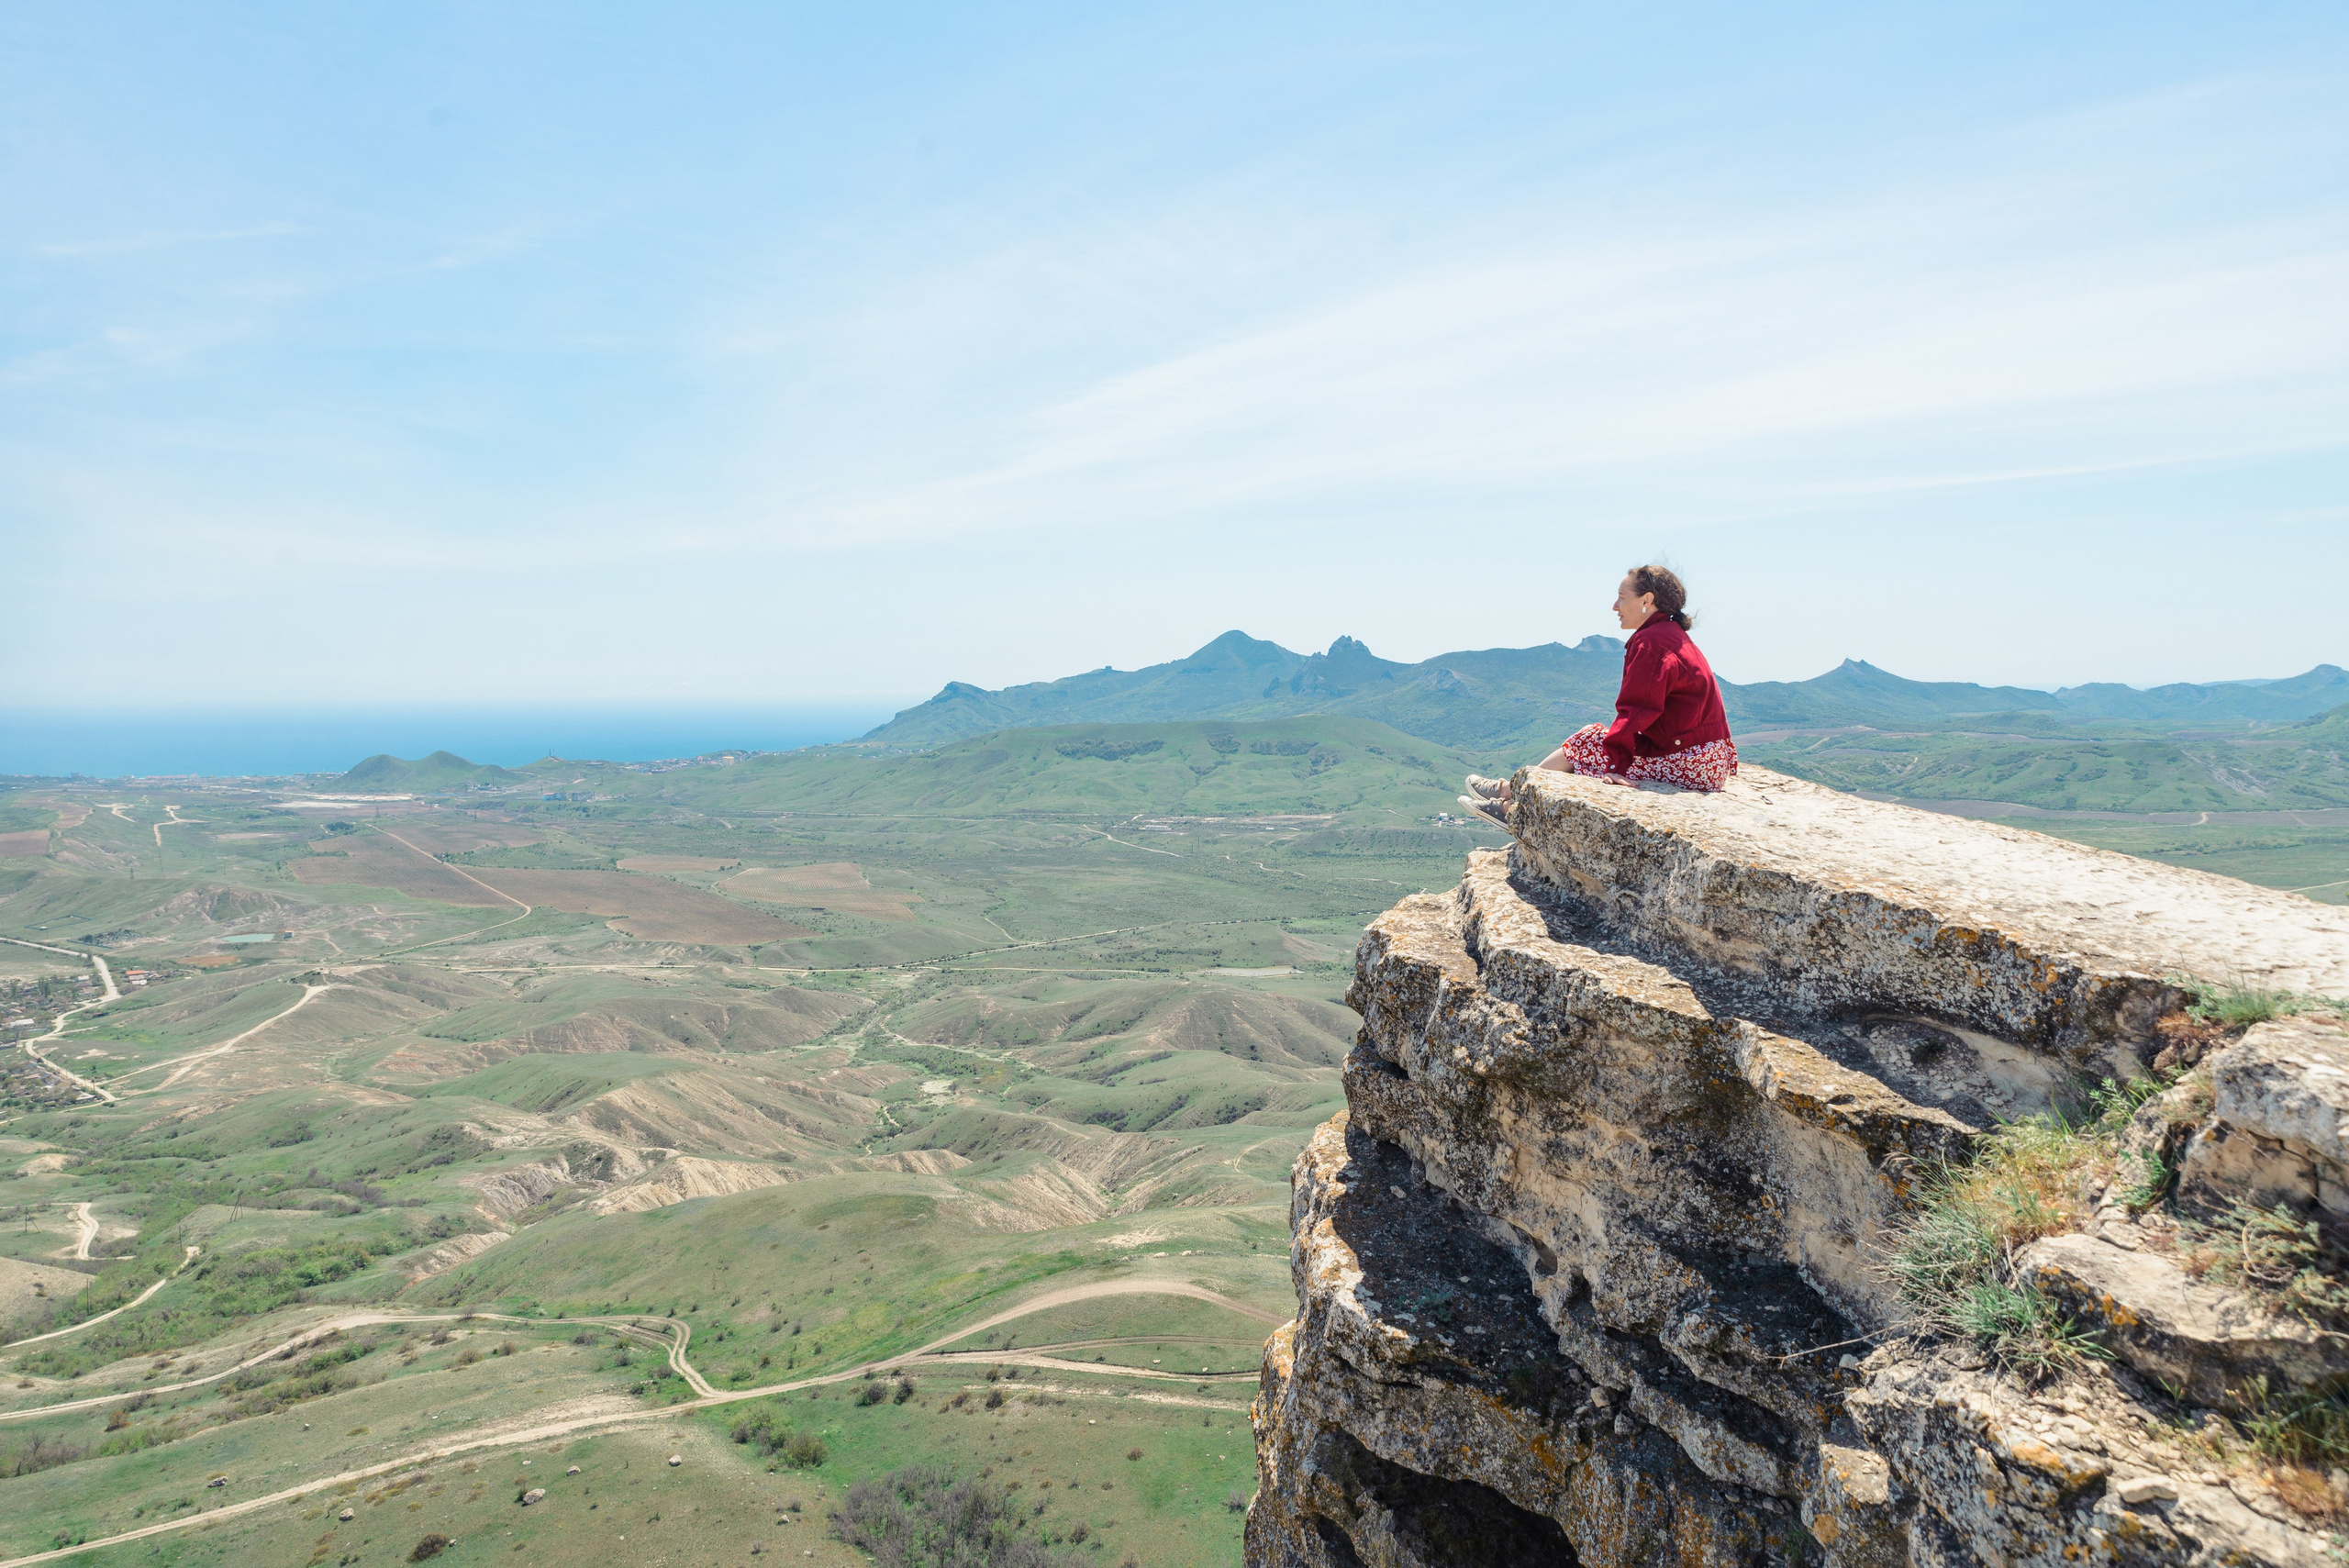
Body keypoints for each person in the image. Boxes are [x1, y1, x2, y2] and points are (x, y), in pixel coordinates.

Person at [1463, 565, 1737, 819]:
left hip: (1690, 762)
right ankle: (1512, 795)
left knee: (1588, 742)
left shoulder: (1651, 643)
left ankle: (1512, 804)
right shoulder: (1669, 634)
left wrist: (1617, 764)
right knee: (1590, 743)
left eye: (1621, 598)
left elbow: (1638, 709)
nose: (1615, 606)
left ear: (1646, 601)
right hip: (1704, 758)